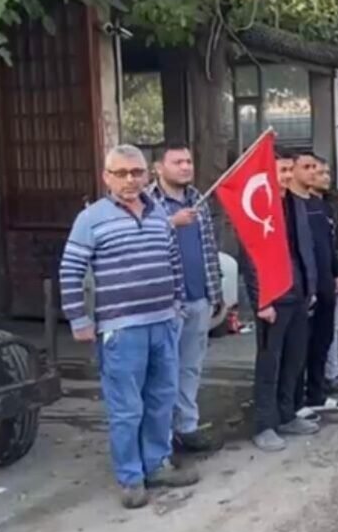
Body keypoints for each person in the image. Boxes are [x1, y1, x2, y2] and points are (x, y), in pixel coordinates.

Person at [59, 145, 199, 509]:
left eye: (136, 172)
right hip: (121, 330)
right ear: (106, 177)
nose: (129, 180)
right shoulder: (91, 219)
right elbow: (70, 270)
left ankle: (157, 464)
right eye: (120, 173)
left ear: (147, 175)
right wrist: (79, 319)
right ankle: (131, 477)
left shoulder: (159, 214)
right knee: (126, 408)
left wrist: (177, 305)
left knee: (161, 399)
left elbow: (173, 262)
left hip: (163, 323)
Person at [148, 143, 225, 454]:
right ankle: (161, 436)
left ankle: (187, 427)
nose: (185, 167)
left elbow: (209, 248)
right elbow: (137, 240)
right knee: (162, 371)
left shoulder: (198, 200)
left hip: (198, 297)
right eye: (177, 162)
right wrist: (170, 223)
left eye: (188, 161)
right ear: (158, 167)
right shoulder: (146, 202)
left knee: (190, 367)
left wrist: (215, 292)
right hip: (166, 303)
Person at [249, 148, 320, 452]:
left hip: (299, 294)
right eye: (282, 171)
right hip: (273, 300)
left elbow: (305, 248)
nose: (288, 176)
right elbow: (250, 258)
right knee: (270, 363)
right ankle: (264, 424)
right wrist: (261, 301)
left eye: (290, 170)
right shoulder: (258, 208)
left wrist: (310, 288)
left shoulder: (295, 204)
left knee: (294, 360)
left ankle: (287, 414)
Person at [289, 153, 338, 419]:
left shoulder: (320, 205)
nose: (314, 172)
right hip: (303, 286)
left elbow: (329, 244)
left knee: (323, 340)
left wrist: (337, 273)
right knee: (301, 344)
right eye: (308, 167)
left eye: (316, 167)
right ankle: (294, 400)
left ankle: (316, 393)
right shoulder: (289, 206)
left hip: (326, 282)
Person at [317, 160, 338, 391]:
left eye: (327, 173)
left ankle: (332, 372)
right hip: (313, 279)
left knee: (333, 329)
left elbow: (336, 244)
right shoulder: (302, 206)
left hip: (335, 275)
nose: (325, 177)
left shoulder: (330, 206)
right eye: (320, 172)